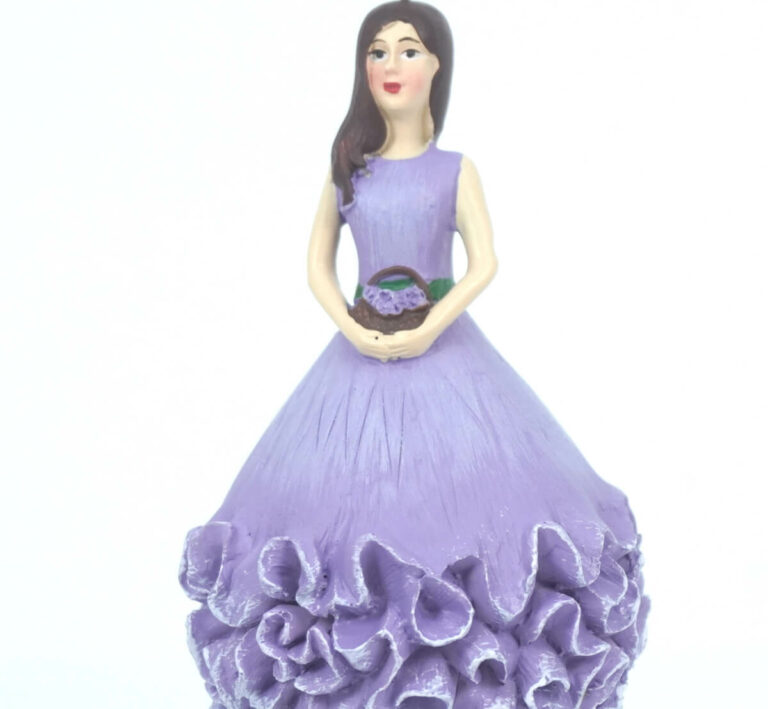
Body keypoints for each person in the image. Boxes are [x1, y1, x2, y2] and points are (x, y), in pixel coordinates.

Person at [179, 2, 649, 707]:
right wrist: (351, 327)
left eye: (408, 49)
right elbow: (316, 265)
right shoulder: (350, 169)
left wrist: (432, 325)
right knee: (331, 511)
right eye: (377, 51)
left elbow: (484, 263)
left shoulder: (455, 171)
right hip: (356, 356)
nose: (390, 65)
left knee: (475, 509)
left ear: (437, 66)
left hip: (449, 359)